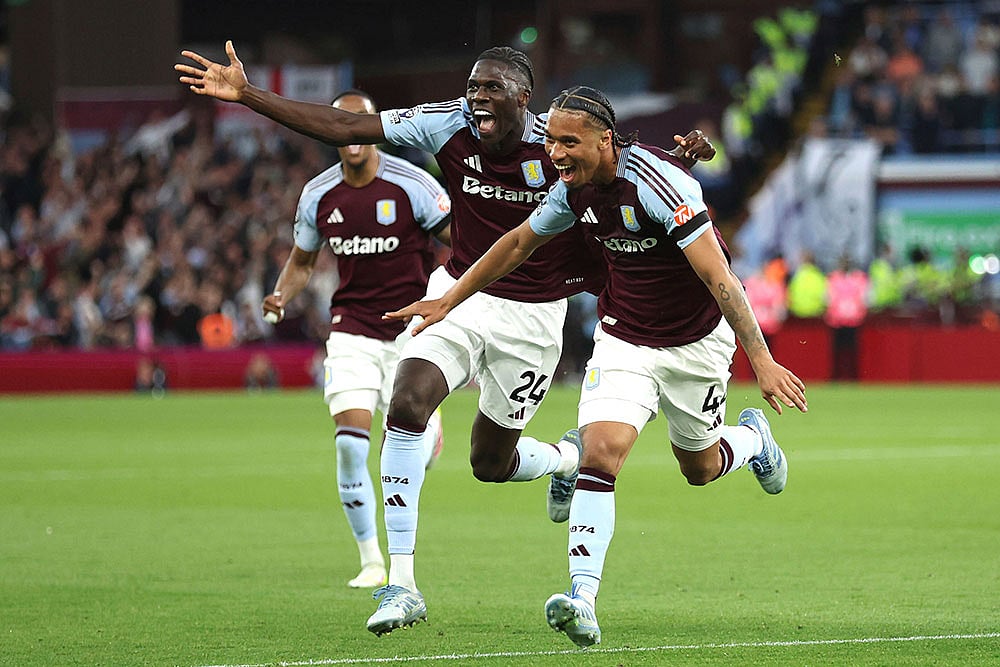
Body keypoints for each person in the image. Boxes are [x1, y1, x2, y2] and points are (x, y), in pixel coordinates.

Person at [176, 43, 715, 636]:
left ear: (523, 98)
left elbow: (616, 162)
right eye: (473, 86)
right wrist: (249, 95)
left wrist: (679, 159)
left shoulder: (553, 146)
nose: (477, 97)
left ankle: (563, 459)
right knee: (406, 402)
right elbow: (348, 124)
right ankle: (401, 585)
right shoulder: (446, 123)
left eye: (492, 88)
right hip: (458, 290)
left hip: (535, 317)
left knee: (489, 462)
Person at [388, 86, 808, 648]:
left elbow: (720, 279)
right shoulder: (572, 191)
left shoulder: (665, 187)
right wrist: (449, 298)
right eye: (551, 141)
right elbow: (516, 244)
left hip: (695, 344)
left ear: (605, 139)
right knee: (601, 453)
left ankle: (754, 441)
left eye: (567, 142)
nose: (554, 154)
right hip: (623, 340)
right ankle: (582, 598)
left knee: (700, 468)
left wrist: (762, 359)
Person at [261, 90, 451, 589]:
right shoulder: (318, 194)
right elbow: (302, 262)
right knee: (350, 445)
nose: (350, 134)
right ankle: (371, 560)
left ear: (373, 128)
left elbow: (460, 241)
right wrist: (281, 295)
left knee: (406, 440)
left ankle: (428, 439)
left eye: (359, 123)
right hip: (351, 330)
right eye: (340, 124)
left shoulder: (413, 184)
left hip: (412, 329)